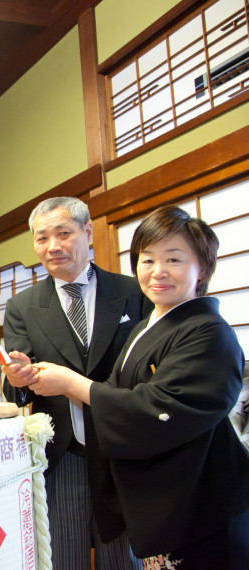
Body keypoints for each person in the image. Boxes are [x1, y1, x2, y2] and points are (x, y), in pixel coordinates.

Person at [31, 205, 249, 569]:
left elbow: (155, 409)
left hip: (202, 503)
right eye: (147, 260)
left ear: (203, 269)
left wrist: (72, 383)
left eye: (174, 260)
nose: (157, 272)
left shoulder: (210, 333)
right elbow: (119, 395)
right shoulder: (148, 325)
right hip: (169, 503)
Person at [2, 197, 150, 570]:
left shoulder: (134, 291)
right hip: (64, 454)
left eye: (64, 233)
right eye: (42, 238)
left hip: (125, 453)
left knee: (126, 561)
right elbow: (16, 388)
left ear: (87, 232)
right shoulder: (22, 305)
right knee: (63, 559)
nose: (53, 247)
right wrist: (16, 378)